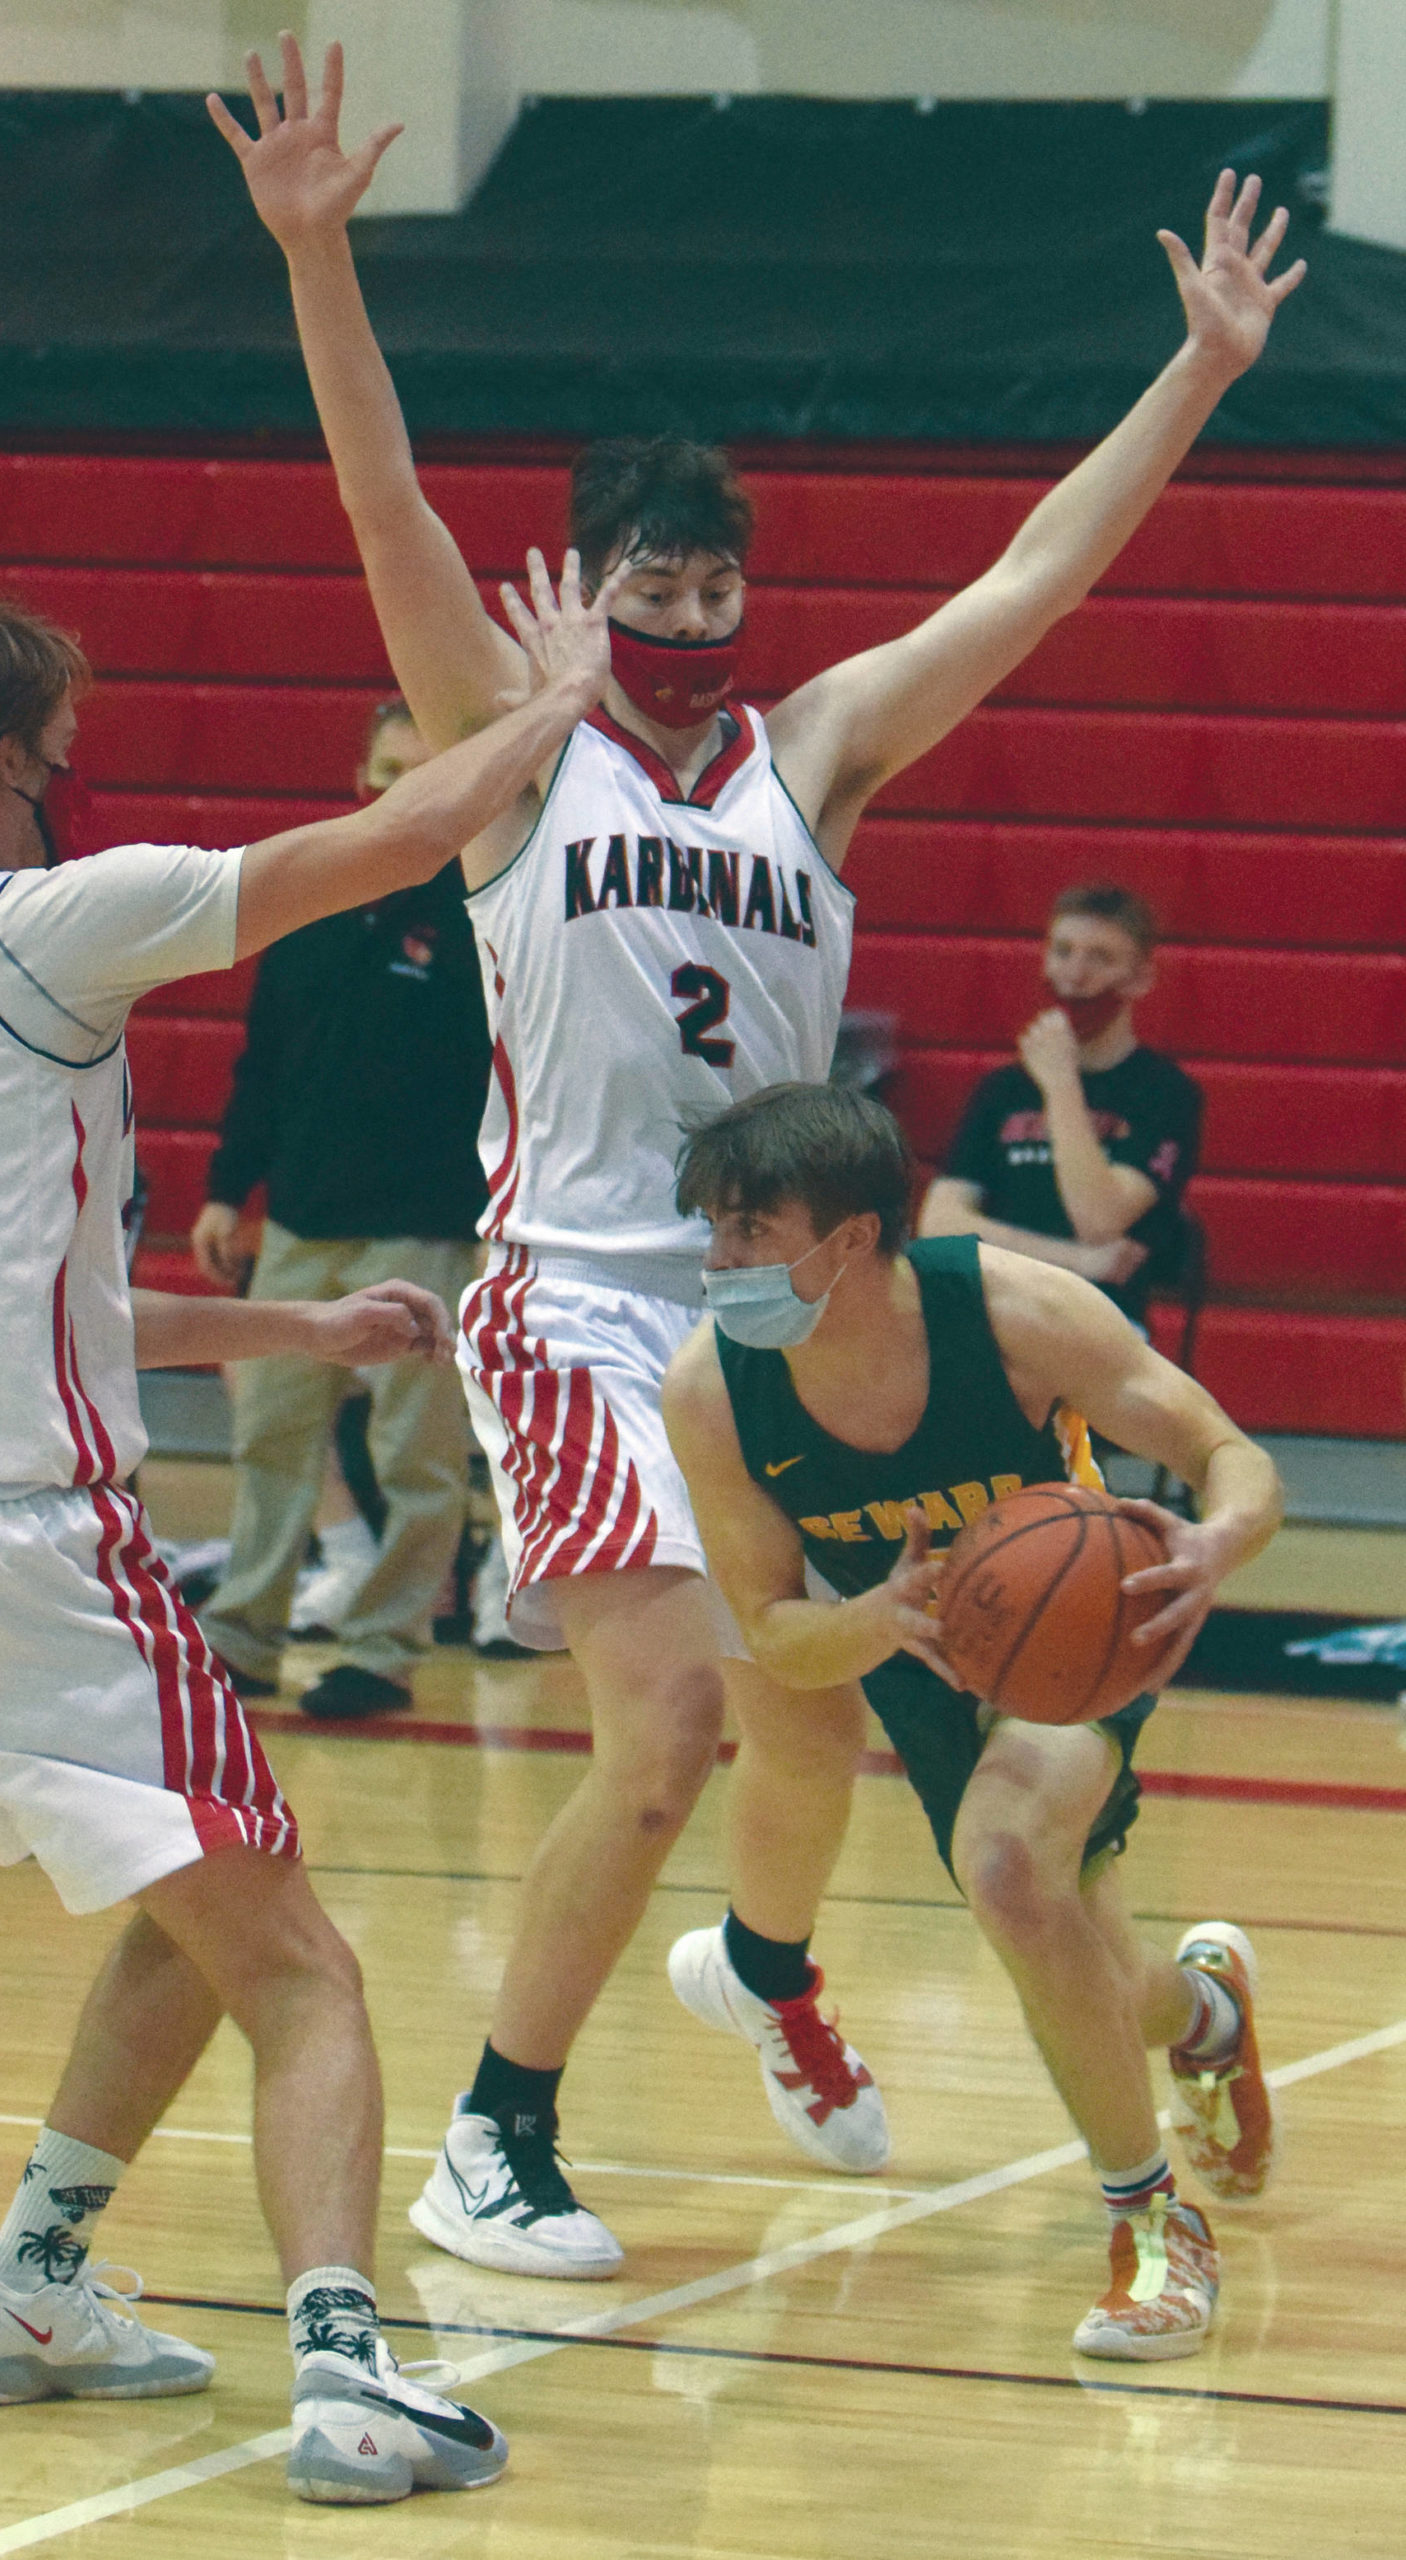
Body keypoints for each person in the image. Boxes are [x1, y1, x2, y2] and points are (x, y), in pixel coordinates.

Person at [209, 35, 1303, 2277]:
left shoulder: (822, 752)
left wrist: (1198, 374)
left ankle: (783, 1976)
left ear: (747, 598)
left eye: (718, 586)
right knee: (696, 1699)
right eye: (653, 585)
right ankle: (493, 2135)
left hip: (781, 1306)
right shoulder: (519, 766)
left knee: (844, 1704)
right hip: (576, 1294)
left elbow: (1031, 577)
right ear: (591, 587)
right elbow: (382, 506)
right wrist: (319, 258)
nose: (692, 622)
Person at [0, 562, 618, 2503]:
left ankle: (28, 2285)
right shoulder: (58, 923)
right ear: (15, 756)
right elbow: (405, 830)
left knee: (194, 1889)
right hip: (15, 1543)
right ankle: (347, 2361)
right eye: (54, 731)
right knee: (304, 1955)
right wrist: (562, 697)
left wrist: (301, 1329)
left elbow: (27, 1302)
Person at [661, 1080, 1281, 2359]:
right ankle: (1205, 2013)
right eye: (714, 1234)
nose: (719, 1266)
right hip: (908, 1648)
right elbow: (775, 1629)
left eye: (748, 1236)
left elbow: (1228, 1450)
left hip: (1088, 1633)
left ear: (850, 1239)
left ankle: (1155, 2225)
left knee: (1005, 1866)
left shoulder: (1010, 1310)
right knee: (1102, 1976)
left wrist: (1218, 1542)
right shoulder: (713, 1391)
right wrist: (883, 1622)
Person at [190, 698, 493, 1719]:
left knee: (418, 1453)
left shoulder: (480, 911)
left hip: (427, 1221)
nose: (396, 791)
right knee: (273, 1433)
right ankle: (243, 1630)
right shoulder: (308, 903)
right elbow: (263, 1063)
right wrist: (231, 1188)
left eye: (422, 772)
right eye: (383, 772)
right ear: (359, 779)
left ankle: (383, 1645)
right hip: (302, 1218)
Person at [919, 882, 1203, 1326]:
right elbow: (938, 1224)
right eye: (1063, 951)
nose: (1075, 973)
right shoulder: (1002, 1089)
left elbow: (1098, 1219)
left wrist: (1062, 1085)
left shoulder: (1164, 1093)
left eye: (1101, 958)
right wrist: (1076, 1260)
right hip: (996, 1312)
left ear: (1141, 979)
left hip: (1102, 1326)